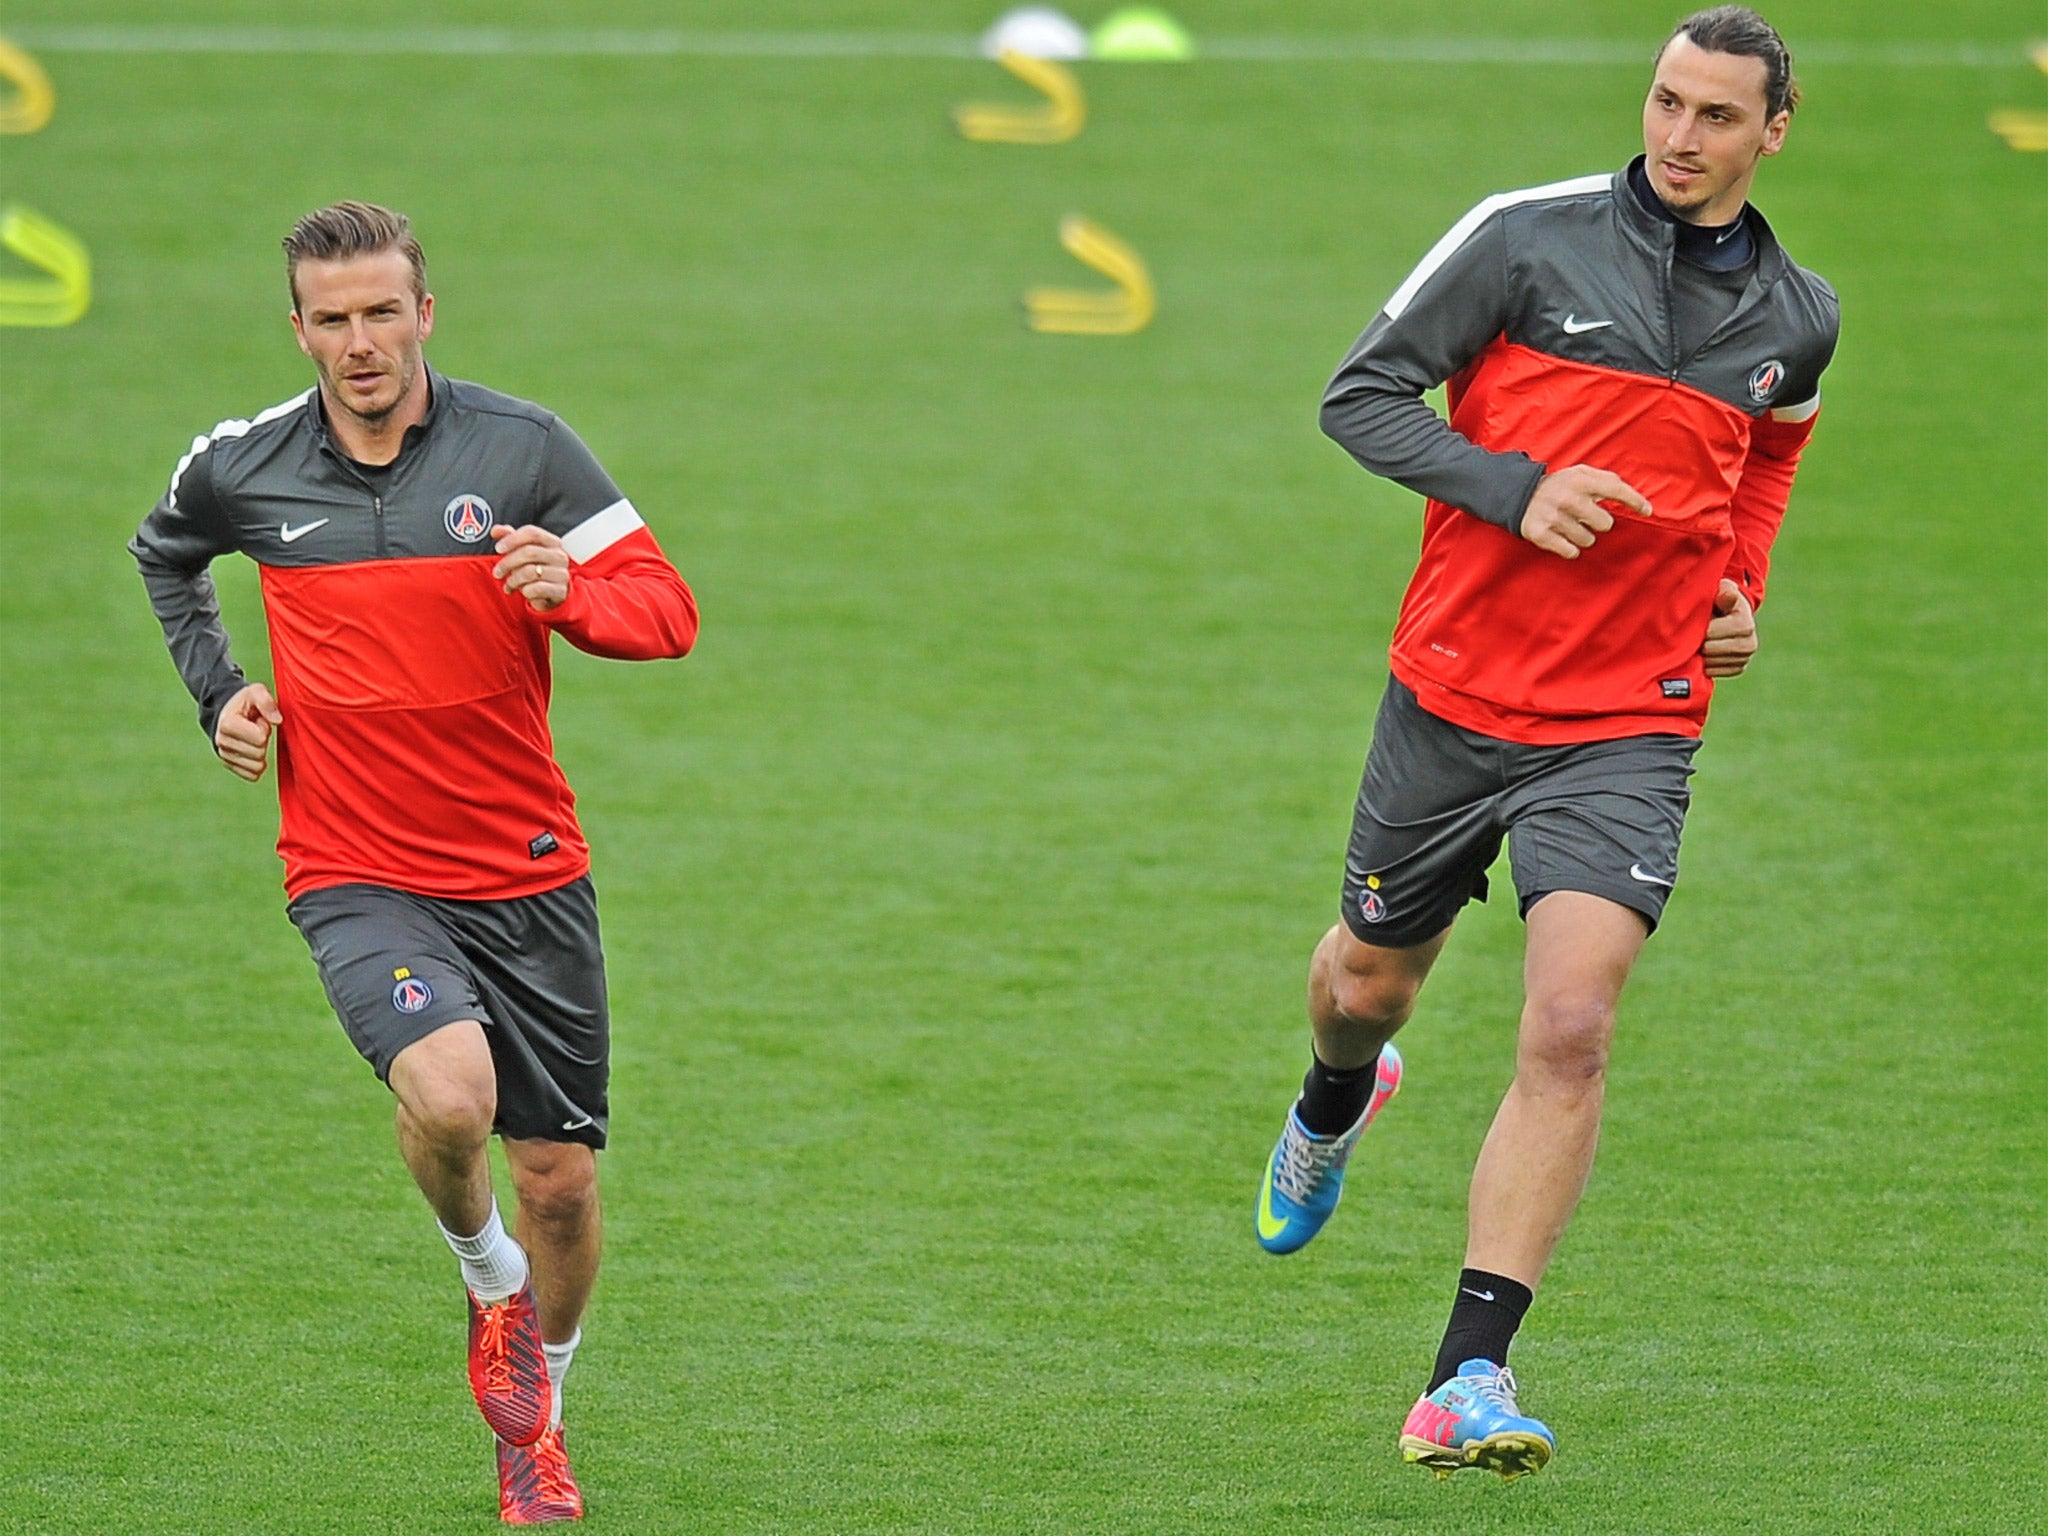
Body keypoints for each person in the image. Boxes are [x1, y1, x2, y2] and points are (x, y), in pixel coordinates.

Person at [1252, 7, 1837, 1479]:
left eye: (1716, 116)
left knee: (1572, 1022)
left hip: (1629, 721)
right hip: (1455, 694)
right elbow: (1359, 398)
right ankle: (1335, 1099)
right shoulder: (1523, 242)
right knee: (1368, 981)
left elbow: (1767, 463)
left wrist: (1738, 589)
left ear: (1776, 131)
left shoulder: (1799, 315)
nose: (1680, 137)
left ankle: (1469, 1374)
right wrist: (1512, 488)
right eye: (1665, 103)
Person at [131, 201, 698, 1524]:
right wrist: (221, 692)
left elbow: (667, 610)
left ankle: (534, 1416)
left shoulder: (525, 447)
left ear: (425, 312)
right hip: (355, 867)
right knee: (450, 1104)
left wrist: (581, 598)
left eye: (382, 311)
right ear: (299, 330)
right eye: (331, 319)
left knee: (558, 1187)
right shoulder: (244, 466)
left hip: (527, 866)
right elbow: (166, 556)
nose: (360, 341)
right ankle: (483, 1279)